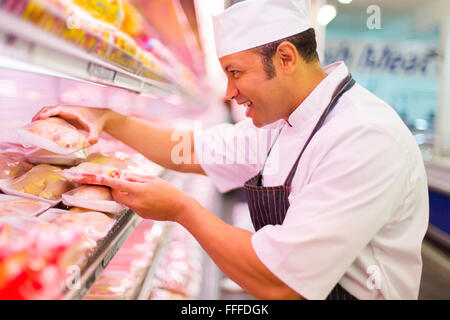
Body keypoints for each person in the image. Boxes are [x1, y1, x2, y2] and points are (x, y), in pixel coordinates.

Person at [33, 0, 429, 300]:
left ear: (286, 58)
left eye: (235, 73)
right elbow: (187, 148)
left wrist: (180, 208)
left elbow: (283, 282)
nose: (229, 92)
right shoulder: (285, 122)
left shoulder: (363, 137)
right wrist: (108, 119)